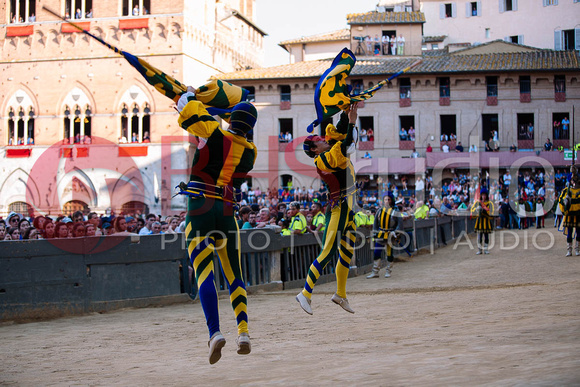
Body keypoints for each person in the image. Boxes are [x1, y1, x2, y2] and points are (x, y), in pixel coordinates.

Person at [175, 87, 257, 363]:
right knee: (234, 274)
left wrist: (190, 93)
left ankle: (214, 332)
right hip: (226, 211)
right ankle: (243, 331)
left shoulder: (211, 130)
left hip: (199, 208)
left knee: (204, 274)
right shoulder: (250, 150)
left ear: (230, 119)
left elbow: (185, 106)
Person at [297, 104, 359, 315]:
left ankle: (340, 294)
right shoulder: (325, 158)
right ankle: (305, 293)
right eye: (318, 141)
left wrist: (345, 110)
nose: (323, 139)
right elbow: (347, 143)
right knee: (328, 252)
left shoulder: (328, 151)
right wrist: (352, 120)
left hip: (348, 209)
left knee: (346, 253)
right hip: (340, 208)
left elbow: (340, 133)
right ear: (314, 150)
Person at [367, 192, 402, 279]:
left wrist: (395, 232)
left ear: (392, 200)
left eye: (388, 199)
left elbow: (400, 225)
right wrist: (375, 233)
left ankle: (388, 271)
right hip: (381, 234)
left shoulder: (396, 211)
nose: (387, 201)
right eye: (385, 199)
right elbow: (375, 224)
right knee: (376, 253)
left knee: (389, 253)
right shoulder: (379, 211)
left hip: (390, 235)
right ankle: (375, 272)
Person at [558, 166, 580, 256]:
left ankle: (577, 249)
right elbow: (560, 200)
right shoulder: (566, 191)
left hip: (578, 214)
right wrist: (565, 201)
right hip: (569, 215)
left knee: (579, 232)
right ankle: (569, 249)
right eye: (572, 181)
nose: (573, 183)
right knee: (569, 232)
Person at [472, 188, 494, 254]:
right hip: (479, 222)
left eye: (485, 195)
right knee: (479, 237)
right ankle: (479, 250)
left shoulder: (490, 203)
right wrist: (476, 211)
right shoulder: (478, 203)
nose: (483, 197)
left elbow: (491, 213)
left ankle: (486, 249)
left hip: (486, 222)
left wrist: (484, 211)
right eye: (482, 195)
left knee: (486, 236)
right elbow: (472, 212)